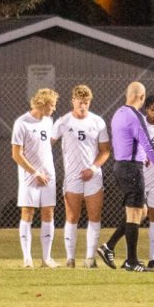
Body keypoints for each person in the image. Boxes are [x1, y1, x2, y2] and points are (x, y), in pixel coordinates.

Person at [97, 82, 154, 272]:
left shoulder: (118, 114)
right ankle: (131, 260)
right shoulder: (136, 116)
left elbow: (126, 140)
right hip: (132, 169)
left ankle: (109, 246)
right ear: (141, 97)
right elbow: (147, 144)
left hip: (120, 166)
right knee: (134, 214)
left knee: (142, 212)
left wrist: (142, 155)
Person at [52, 85, 110, 267]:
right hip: (72, 176)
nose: (83, 106)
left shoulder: (98, 122)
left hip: (92, 175)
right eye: (79, 102)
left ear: (89, 102)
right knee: (72, 216)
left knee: (94, 216)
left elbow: (105, 151)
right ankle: (70, 259)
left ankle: (90, 259)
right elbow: (47, 145)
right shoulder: (63, 122)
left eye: (86, 102)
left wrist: (93, 168)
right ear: (73, 101)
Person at [11, 88, 59, 268]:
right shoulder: (21, 123)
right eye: (52, 105)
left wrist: (44, 172)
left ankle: (46, 258)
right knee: (28, 213)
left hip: (48, 176)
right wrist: (34, 172)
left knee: (48, 212)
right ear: (42, 104)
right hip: (29, 177)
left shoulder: (48, 121)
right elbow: (16, 154)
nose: (54, 109)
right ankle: (27, 258)